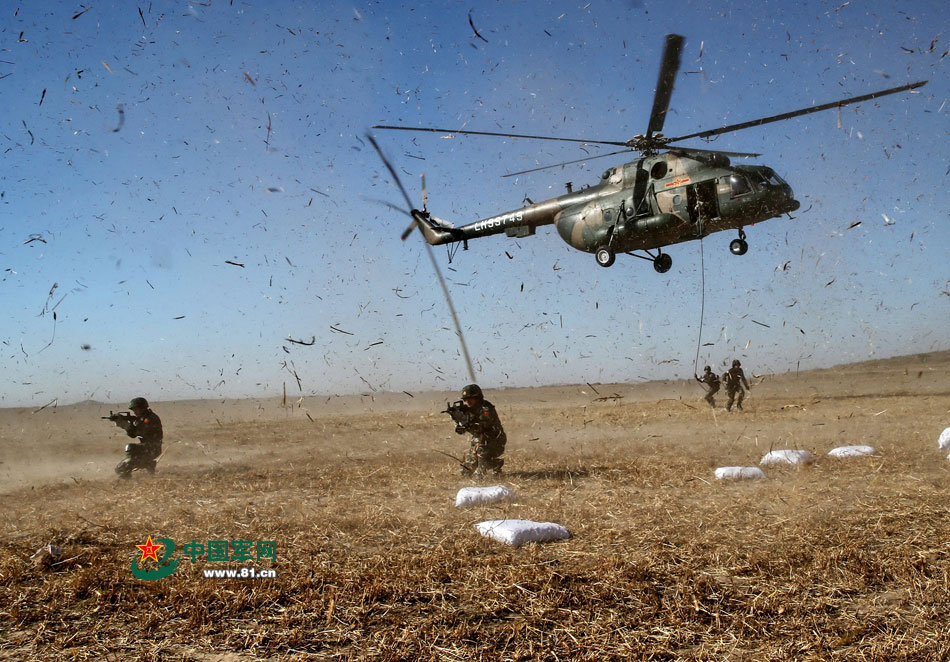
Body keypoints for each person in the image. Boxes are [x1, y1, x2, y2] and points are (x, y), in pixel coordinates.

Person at [452, 384, 507, 477]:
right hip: (478, 442)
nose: (467, 402)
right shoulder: (467, 411)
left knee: (481, 457)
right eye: (465, 399)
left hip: (495, 441)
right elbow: (461, 431)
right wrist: (458, 421)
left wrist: (467, 423)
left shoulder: (486, 409)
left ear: (477, 398)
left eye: (470, 399)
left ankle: (482, 473)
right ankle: (495, 463)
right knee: (465, 472)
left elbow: (482, 427)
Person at [114, 397, 163, 479]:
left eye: (136, 409)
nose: (134, 412)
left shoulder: (150, 418)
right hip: (145, 448)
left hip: (152, 448)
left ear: (143, 408)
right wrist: (124, 425)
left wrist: (126, 425)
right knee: (119, 469)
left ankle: (126, 478)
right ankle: (148, 464)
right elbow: (132, 435)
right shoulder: (140, 419)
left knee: (130, 449)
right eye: (133, 410)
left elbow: (139, 432)